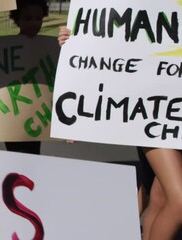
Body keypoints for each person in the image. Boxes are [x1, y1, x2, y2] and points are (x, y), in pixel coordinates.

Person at [59, 27, 182, 240]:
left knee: (160, 197)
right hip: (153, 111)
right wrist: (77, 40)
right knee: (179, 202)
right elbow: (108, 35)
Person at [0, 0, 49, 154]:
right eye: (27, 19)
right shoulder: (6, 51)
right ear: (17, 20)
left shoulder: (50, 48)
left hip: (38, 117)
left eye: (38, 18)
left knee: (34, 157)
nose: (34, 23)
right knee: (16, 157)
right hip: (12, 119)